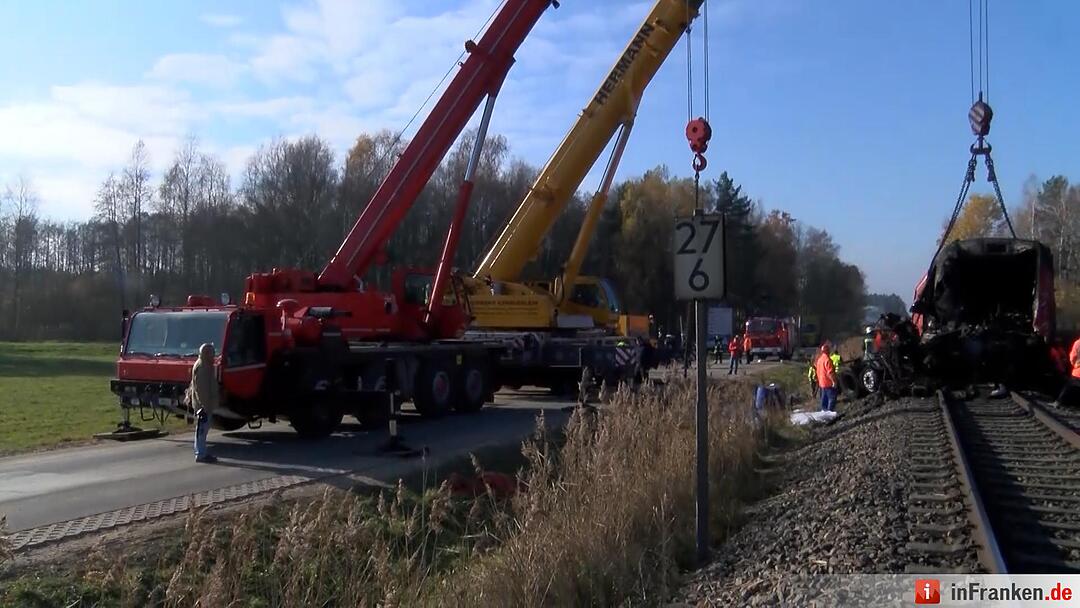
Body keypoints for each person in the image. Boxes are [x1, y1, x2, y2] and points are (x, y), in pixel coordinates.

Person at [190, 343, 220, 463]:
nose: (214, 355)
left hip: (204, 404)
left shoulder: (205, 365)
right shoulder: (203, 367)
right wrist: (205, 407)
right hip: (204, 406)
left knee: (202, 430)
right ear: (206, 353)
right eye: (212, 353)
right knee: (202, 431)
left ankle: (201, 452)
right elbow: (201, 390)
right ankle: (201, 454)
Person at [1053, 336, 1080, 408]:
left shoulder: (1078, 343)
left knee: (1068, 387)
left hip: (1077, 374)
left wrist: (1075, 364)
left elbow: (1072, 358)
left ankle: (1059, 402)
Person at [815, 342, 838, 412]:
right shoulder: (828, 360)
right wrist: (834, 382)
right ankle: (830, 414)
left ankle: (824, 414)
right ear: (827, 351)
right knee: (832, 399)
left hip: (822, 384)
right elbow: (830, 372)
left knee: (824, 400)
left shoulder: (819, 360)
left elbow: (818, 372)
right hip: (828, 384)